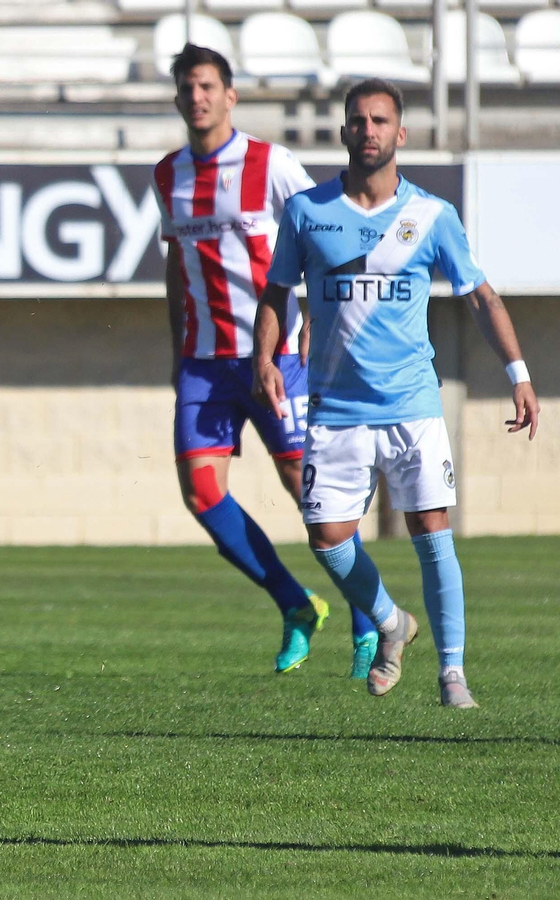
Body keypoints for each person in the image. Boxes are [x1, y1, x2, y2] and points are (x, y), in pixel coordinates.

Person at [253, 78, 540, 708]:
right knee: (327, 536)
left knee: (431, 530)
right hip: (334, 409)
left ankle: (453, 673)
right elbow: (276, 292)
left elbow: (480, 296)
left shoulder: (431, 215)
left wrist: (517, 373)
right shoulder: (307, 211)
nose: (370, 130)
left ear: (400, 133)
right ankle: (389, 622)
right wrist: (266, 357)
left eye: (381, 121)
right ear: (345, 131)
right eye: (359, 120)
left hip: (412, 404)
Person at [153, 44, 378, 676]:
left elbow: (326, 238)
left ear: (230, 95)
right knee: (202, 494)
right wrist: (177, 352)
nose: (196, 97)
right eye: (186, 88)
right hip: (202, 362)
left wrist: (318, 325)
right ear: (178, 100)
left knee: (309, 494)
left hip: (274, 357)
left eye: (206, 86)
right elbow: (177, 265)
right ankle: (297, 605)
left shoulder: (271, 163)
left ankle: (368, 620)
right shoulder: (168, 174)